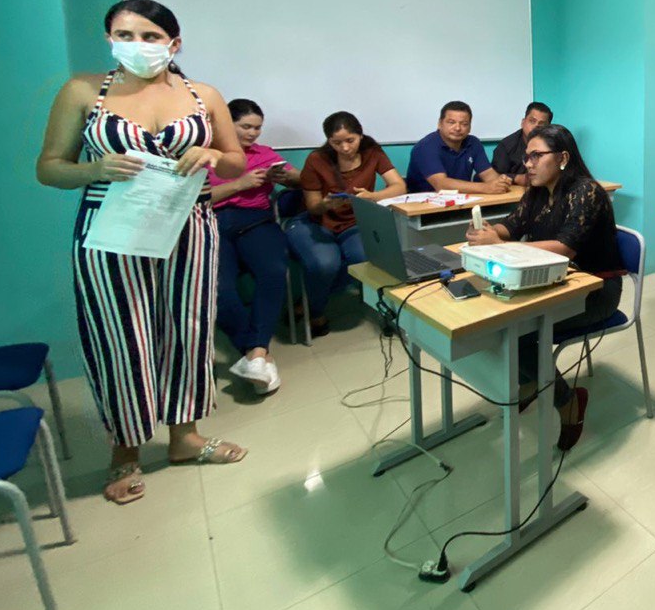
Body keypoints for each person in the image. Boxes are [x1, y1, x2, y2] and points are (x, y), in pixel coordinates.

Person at [37, 0, 249, 505]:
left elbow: (237, 163)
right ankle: (125, 449)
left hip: (190, 225)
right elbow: (49, 167)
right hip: (112, 230)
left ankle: (185, 437)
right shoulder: (83, 91)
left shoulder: (203, 95)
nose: (138, 45)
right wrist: (94, 169)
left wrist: (214, 154)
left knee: (189, 328)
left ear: (173, 44)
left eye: (151, 37)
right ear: (109, 39)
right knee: (119, 335)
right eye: (125, 35)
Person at [465, 124, 623, 451]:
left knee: (519, 331)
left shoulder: (586, 192)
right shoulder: (538, 191)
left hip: (595, 290)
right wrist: (489, 233)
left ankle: (567, 402)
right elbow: (513, 225)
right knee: (501, 322)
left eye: (537, 156)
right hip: (552, 283)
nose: (528, 164)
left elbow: (565, 248)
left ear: (563, 158)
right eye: (527, 157)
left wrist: (501, 244)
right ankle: (532, 381)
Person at [208, 99, 301, 395]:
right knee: (218, 290)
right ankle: (257, 354)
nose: (252, 133)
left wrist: (288, 177)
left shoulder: (264, 154)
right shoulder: (207, 154)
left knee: (273, 271)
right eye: (245, 126)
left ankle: (256, 354)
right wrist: (240, 184)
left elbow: (300, 179)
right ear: (227, 124)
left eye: (257, 128)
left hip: (256, 222)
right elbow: (195, 197)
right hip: (211, 223)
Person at [289, 112, 406, 337]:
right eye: (336, 143)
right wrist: (325, 204)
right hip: (316, 222)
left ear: (360, 135)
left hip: (354, 222)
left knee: (364, 259)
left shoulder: (372, 152)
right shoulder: (317, 159)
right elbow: (312, 206)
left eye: (350, 140)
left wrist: (373, 196)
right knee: (325, 263)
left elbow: (399, 186)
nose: (344, 148)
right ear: (329, 141)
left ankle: (310, 300)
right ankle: (315, 311)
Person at [406, 100, 512, 194]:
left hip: (461, 202)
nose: (457, 128)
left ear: (470, 127)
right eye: (451, 122)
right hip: (423, 205)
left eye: (464, 124)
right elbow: (441, 184)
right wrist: (486, 188)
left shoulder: (473, 143)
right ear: (439, 124)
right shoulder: (425, 147)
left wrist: (501, 182)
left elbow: (488, 174)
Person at [492, 102, 553, 186]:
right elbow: (493, 175)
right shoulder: (506, 145)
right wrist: (517, 178)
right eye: (532, 121)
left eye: (541, 125)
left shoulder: (553, 145)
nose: (536, 127)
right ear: (523, 122)